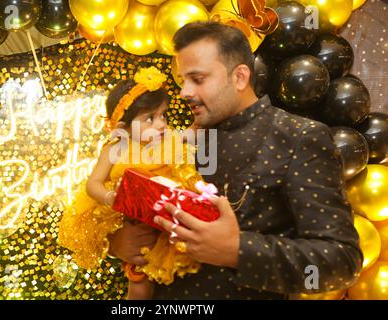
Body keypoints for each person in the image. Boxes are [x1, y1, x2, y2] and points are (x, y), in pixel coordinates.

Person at [108, 21, 363, 299]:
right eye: (183, 81)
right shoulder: (175, 142)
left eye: (198, 79)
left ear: (240, 77)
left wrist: (238, 251)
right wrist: (120, 244)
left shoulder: (297, 137)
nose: (184, 93)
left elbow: (341, 261)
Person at [58, 66, 205, 299]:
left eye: (163, 115)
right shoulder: (116, 149)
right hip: (135, 218)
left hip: (167, 214)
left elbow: (193, 132)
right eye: (149, 118)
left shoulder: (168, 139)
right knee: (139, 276)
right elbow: (93, 183)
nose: (160, 124)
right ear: (123, 127)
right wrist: (110, 198)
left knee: (177, 259)